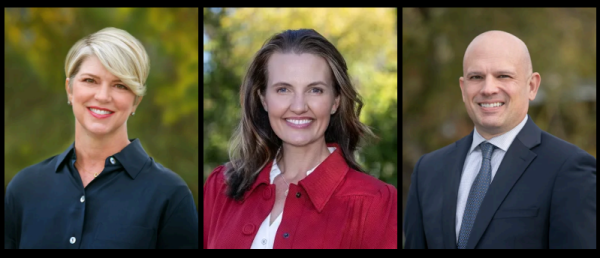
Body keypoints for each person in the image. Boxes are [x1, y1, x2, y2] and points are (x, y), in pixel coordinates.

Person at [4, 27, 198, 249]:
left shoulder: (170, 194)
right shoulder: (25, 188)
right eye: (90, 80)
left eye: (120, 85)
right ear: (70, 89)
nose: (103, 96)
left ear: (136, 101)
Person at [203, 29, 397, 249]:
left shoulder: (374, 201)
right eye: (283, 89)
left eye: (315, 90)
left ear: (335, 101)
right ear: (263, 99)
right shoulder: (221, 186)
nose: (298, 107)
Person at [403, 30, 596, 249]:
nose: (488, 89)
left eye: (503, 76)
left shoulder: (569, 169)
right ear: (463, 87)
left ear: (532, 86)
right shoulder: (428, 170)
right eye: (476, 77)